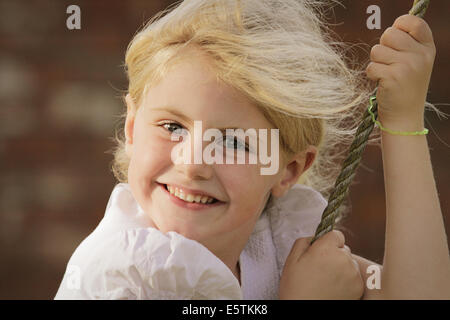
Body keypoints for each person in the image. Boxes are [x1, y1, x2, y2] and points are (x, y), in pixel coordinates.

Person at [55, 0, 450, 299]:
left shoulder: (277, 240)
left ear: (290, 170)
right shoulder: (118, 275)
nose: (192, 164)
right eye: (172, 126)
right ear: (132, 127)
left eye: (232, 141)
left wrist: (402, 123)